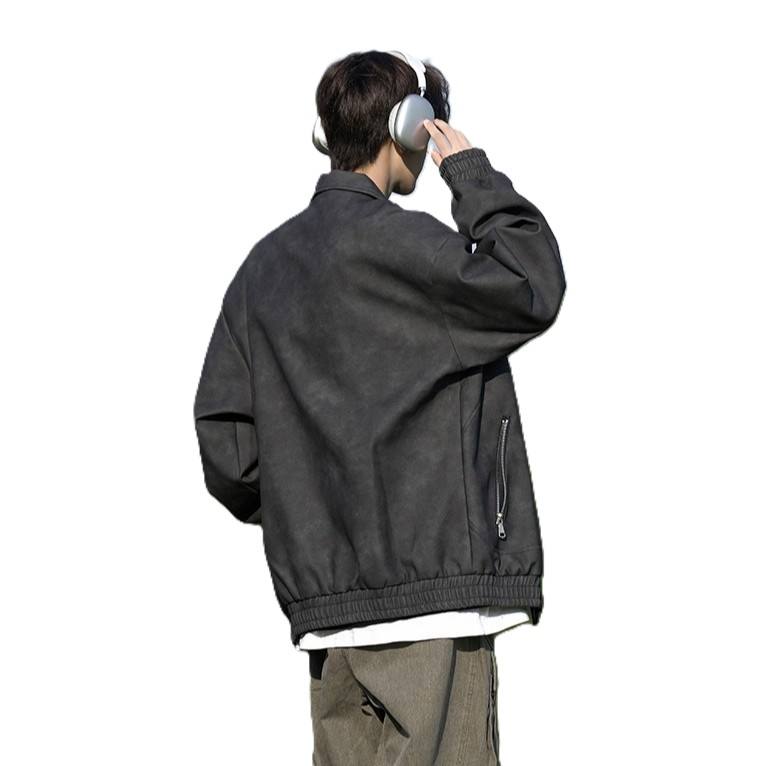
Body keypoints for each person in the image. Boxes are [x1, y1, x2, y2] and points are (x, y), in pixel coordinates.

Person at [194, 49, 566, 765]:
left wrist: (309, 512)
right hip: (434, 607)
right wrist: (471, 175)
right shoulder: (415, 251)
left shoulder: (263, 271)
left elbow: (229, 449)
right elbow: (532, 283)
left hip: (330, 621)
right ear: (409, 124)